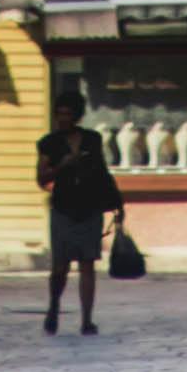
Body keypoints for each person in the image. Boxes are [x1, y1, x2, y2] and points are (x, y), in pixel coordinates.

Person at [39, 87, 126, 338]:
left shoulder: (92, 139)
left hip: (90, 207)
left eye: (68, 113)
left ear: (76, 115)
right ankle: (54, 305)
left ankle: (87, 319)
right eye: (59, 113)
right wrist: (60, 167)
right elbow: (40, 178)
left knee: (87, 265)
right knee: (60, 267)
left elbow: (102, 171)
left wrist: (117, 203)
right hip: (63, 209)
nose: (63, 118)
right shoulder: (49, 143)